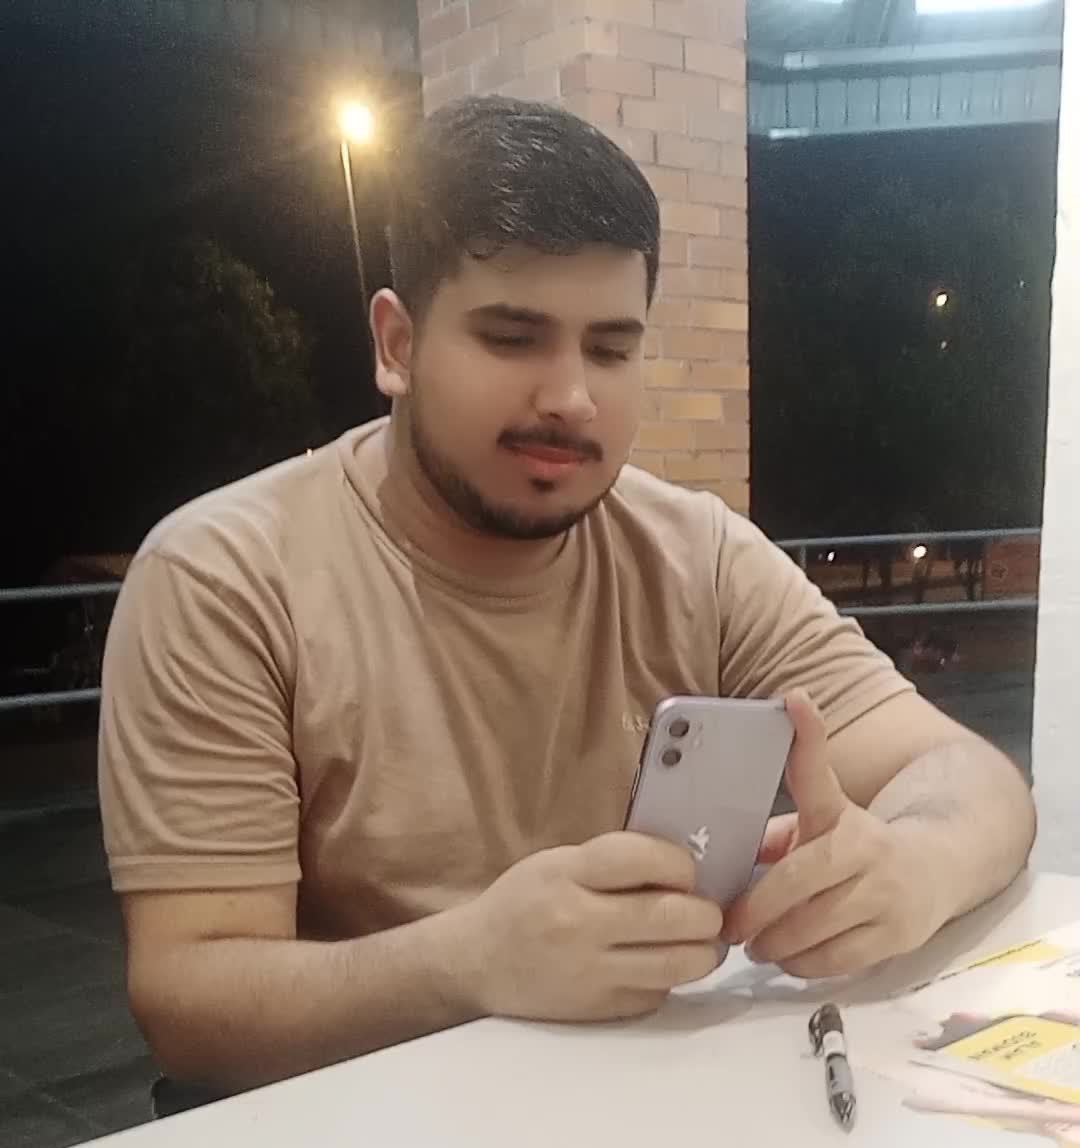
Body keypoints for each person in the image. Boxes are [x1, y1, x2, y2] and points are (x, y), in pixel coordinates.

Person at [99, 96, 1035, 1093]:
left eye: (611, 348)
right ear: (397, 345)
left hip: (640, 1122)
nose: (571, 398)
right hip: (353, 1147)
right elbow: (188, 1002)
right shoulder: (224, 577)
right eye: (513, 338)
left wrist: (911, 868)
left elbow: (976, 782)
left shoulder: (697, 555)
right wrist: (469, 962)